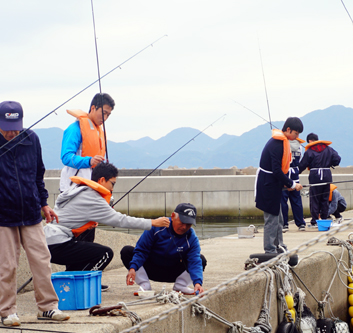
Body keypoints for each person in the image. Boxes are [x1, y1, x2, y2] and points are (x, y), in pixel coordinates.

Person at [44, 162, 170, 290]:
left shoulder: (78, 189)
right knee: (105, 254)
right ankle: (77, 285)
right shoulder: (92, 197)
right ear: (102, 180)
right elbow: (120, 220)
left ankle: (73, 277)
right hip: (57, 244)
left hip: (48, 240)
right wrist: (152, 222)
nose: (112, 188)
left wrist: (87, 223)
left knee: (88, 231)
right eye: (112, 183)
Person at [0, 101, 70, 326]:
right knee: (7, 265)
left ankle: (48, 307)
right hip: (3, 215)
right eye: (6, 127)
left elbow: (38, 174)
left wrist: (44, 203)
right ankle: (7, 311)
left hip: (31, 211)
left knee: (42, 260)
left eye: (15, 127)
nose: (11, 132)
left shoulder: (31, 139)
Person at [122, 203, 206, 295]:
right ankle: (145, 284)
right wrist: (133, 268)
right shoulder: (157, 226)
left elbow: (194, 261)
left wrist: (197, 283)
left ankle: (180, 286)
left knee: (201, 259)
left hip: (174, 272)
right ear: (173, 216)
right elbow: (142, 250)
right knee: (127, 251)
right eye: (182, 223)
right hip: (151, 269)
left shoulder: (191, 237)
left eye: (188, 224)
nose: (184, 227)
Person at [255, 117, 304, 253]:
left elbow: (277, 172)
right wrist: (292, 184)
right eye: (296, 133)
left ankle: (278, 245)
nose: (296, 137)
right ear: (288, 130)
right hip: (267, 184)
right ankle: (270, 249)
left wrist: (286, 185)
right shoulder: (277, 144)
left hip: (273, 183)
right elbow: (276, 171)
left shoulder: (281, 142)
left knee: (279, 218)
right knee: (271, 219)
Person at [59, 93, 115, 192]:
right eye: (103, 113)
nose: (105, 118)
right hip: (73, 188)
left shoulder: (99, 132)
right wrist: (89, 161)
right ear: (93, 108)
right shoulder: (74, 129)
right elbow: (66, 157)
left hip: (92, 188)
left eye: (108, 115)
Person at [298, 133, 341, 227]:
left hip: (315, 176)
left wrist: (296, 173)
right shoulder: (329, 149)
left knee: (315, 198)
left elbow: (302, 165)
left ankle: (315, 221)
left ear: (309, 141)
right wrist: (330, 163)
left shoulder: (309, 151)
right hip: (326, 175)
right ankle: (324, 219)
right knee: (324, 198)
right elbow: (337, 159)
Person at [281, 138, 307, 232]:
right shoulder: (299, 146)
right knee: (296, 201)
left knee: (283, 201)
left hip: (285, 174)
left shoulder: (284, 145)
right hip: (295, 174)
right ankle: (300, 223)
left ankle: (284, 224)